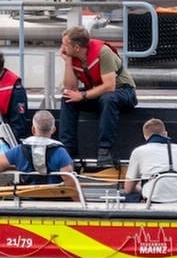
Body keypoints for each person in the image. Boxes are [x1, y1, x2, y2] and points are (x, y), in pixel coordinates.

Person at [57, 26, 136, 168]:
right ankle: (68, 151)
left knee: (108, 98)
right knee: (68, 98)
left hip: (123, 91)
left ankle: (104, 151)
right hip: (97, 93)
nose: (61, 47)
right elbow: (71, 88)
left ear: (76, 47)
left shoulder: (103, 52)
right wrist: (68, 63)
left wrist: (83, 95)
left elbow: (109, 86)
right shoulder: (74, 57)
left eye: (64, 44)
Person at [0, 110, 78, 190]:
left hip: (28, 200)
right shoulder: (60, 152)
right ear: (53, 129)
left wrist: (16, 167)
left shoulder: (18, 151)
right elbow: (69, 181)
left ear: (33, 129)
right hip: (56, 201)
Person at [122, 118, 177, 204]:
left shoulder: (138, 152)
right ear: (166, 133)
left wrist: (141, 186)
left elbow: (128, 189)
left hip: (153, 203)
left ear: (145, 137)